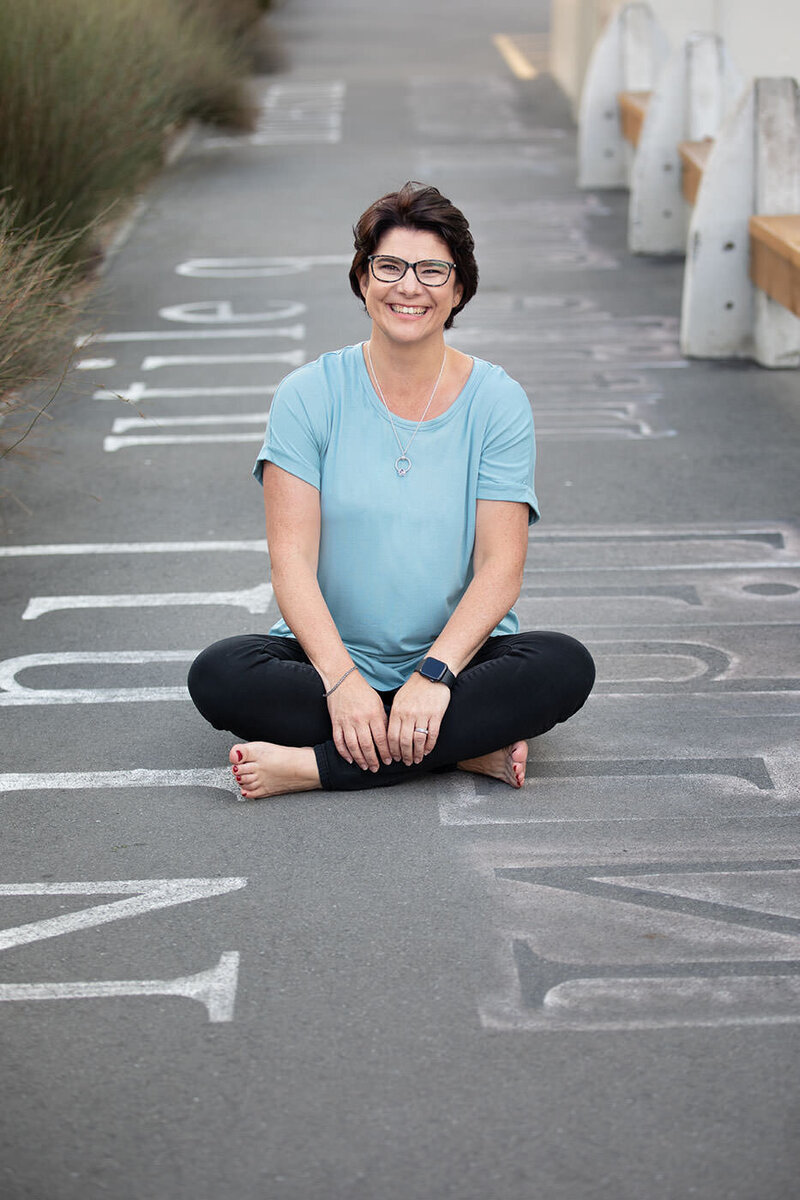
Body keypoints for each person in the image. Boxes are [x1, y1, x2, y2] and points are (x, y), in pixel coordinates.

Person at [188, 182, 595, 799]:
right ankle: (462, 748)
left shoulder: (497, 400)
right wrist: (341, 680)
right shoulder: (309, 393)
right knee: (219, 675)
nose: (410, 287)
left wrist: (433, 675)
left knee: (564, 665)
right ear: (362, 278)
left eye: (433, 270)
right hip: (325, 659)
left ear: (459, 289)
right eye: (390, 267)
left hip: (459, 662)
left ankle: (315, 766)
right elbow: (290, 562)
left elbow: (500, 566)